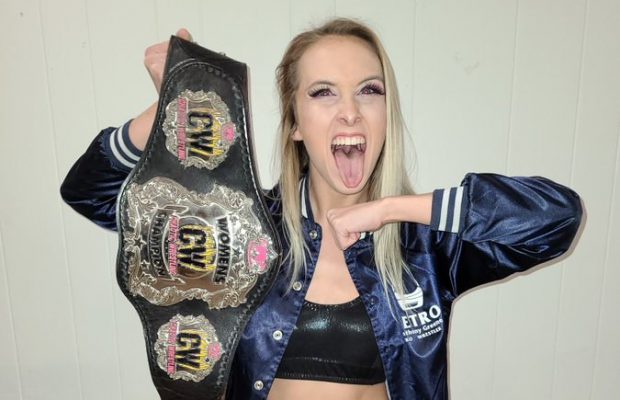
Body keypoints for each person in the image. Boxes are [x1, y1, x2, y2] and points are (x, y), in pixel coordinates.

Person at [60, 18, 582, 400]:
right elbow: (91, 193)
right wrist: (174, 107)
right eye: (324, 93)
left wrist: (389, 209)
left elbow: (556, 219)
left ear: (387, 113)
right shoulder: (239, 226)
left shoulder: (425, 247)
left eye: (369, 91)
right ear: (294, 123)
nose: (350, 111)